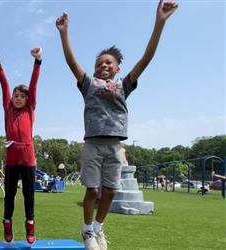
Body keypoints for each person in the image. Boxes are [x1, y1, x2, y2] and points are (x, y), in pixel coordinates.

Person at [55, 1, 178, 249]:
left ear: (117, 68)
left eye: (108, 62)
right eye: (99, 62)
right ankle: (87, 230)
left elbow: (147, 58)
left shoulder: (124, 85)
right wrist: (64, 33)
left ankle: (99, 229)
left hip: (114, 146)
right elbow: (71, 63)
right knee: (93, 190)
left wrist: (160, 23)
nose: (103, 65)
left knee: (110, 192)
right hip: (92, 145)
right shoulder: (89, 84)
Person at [0, 47, 42, 244]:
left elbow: (34, 85)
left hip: (28, 157)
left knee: (29, 194)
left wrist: (37, 61)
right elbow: (4, 85)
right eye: (15, 95)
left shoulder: (30, 109)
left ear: (28, 99)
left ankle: (30, 224)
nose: (17, 98)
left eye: (21, 95)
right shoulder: (8, 108)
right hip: (12, 157)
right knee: (9, 194)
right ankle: (7, 222)